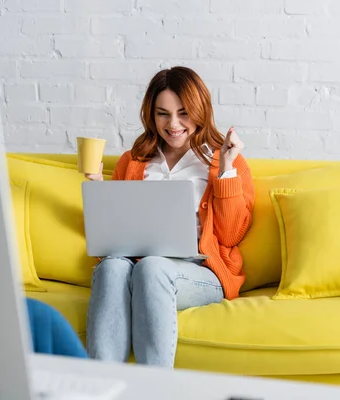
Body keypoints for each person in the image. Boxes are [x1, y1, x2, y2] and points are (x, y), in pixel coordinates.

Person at [84, 66, 255, 367]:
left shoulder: (226, 160)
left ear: (200, 110)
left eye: (184, 113)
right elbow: (114, 235)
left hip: (201, 271)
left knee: (153, 268)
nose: (173, 124)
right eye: (163, 113)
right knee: (112, 269)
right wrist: (99, 191)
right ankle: (103, 387)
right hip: (137, 265)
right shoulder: (133, 161)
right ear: (151, 115)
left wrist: (226, 169)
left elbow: (230, 235)